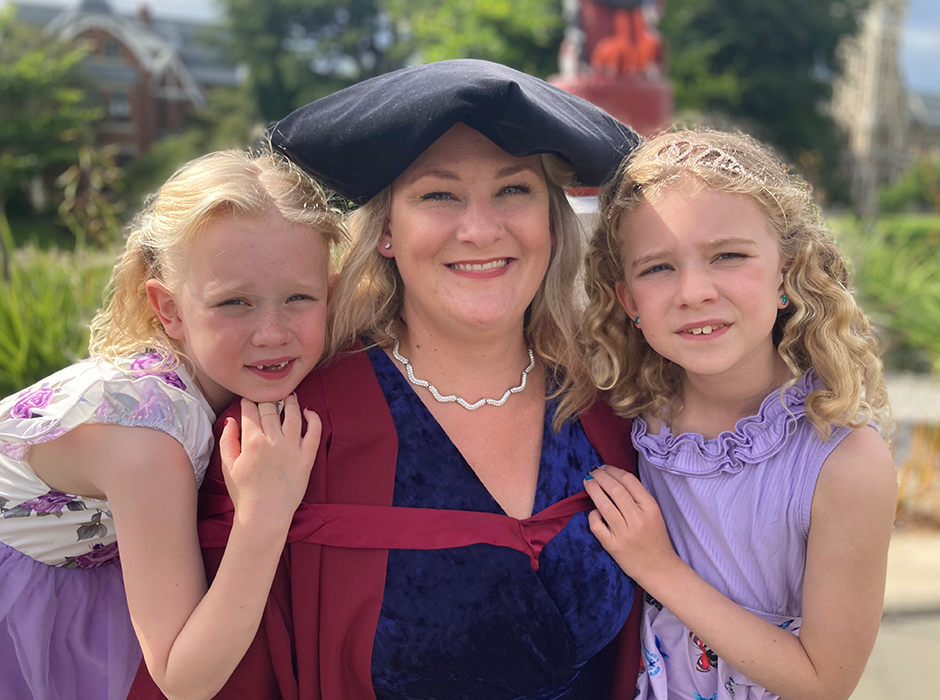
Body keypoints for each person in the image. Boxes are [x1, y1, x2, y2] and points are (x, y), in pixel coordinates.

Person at [128, 58, 644, 700]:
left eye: (515, 190)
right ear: (387, 233)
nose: (481, 229)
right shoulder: (287, 439)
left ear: (550, 220)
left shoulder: (607, 421)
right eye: (438, 195)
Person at [0, 149, 345, 700]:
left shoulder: (209, 378)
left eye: (299, 298)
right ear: (169, 311)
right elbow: (184, 680)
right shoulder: (146, 444)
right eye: (235, 303)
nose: (272, 333)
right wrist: (265, 513)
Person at [579, 128, 898, 700]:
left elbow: (825, 682)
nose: (694, 291)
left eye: (728, 256)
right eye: (657, 268)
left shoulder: (843, 462)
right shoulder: (623, 423)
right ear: (628, 301)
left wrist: (658, 567)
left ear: (786, 272)